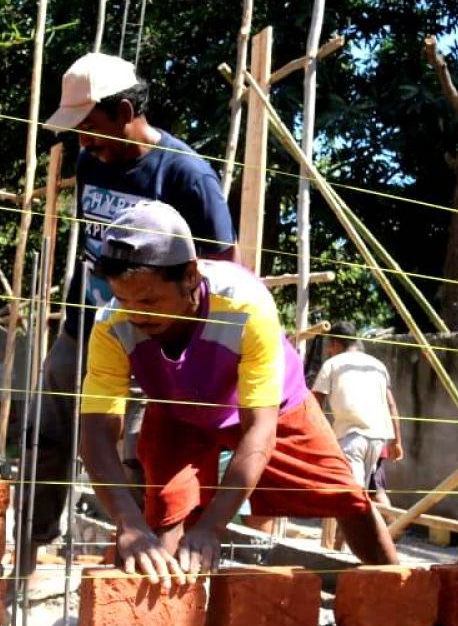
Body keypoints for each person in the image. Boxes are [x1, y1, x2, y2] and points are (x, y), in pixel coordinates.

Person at [80, 200, 398, 584]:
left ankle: (397, 588)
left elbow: (258, 429)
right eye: (124, 299)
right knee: (166, 509)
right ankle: (163, 619)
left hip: (272, 408)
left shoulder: (246, 304)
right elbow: (97, 431)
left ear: (190, 277)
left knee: (345, 496)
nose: (136, 314)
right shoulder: (112, 324)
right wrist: (127, 523)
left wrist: (213, 527)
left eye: (149, 300)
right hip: (178, 408)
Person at [28, 52, 238, 554]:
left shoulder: (187, 175)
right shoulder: (89, 159)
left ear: (125, 112)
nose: (84, 141)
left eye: (90, 126)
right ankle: (31, 551)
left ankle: (139, 554)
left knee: (139, 453)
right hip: (87, 329)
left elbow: (221, 267)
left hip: (155, 341)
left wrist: (188, 352)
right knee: (47, 433)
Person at [312, 321, 403, 504]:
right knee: (375, 492)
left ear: (335, 344)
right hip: (379, 439)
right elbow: (391, 405)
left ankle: (352, 533)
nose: (329, 351)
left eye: (330, 346)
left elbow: (315, 404)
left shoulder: (332, 364)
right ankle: (392, 530)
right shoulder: (378, 365)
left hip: (351, 438)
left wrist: (317, 438)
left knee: (352, 496)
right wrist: (397, 441)